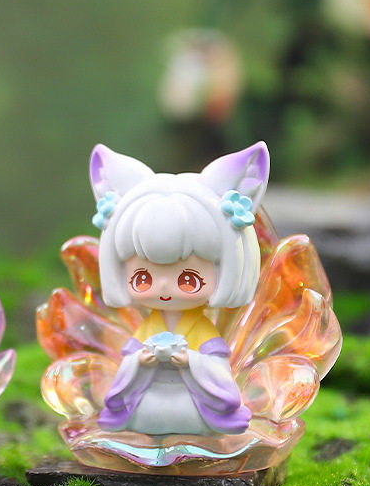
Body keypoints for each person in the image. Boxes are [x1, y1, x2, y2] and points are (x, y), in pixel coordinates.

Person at [90, 142, 269, 436]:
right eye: (143, 278)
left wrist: (192, 362)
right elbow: (126, 367)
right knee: (142, 412)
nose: (163, 287)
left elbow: (220, 374)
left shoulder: (201, 330)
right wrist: (140, 362)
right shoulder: (149, 328)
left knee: (192, 417)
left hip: (191, 400)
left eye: (188, 279)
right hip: (150, 397)